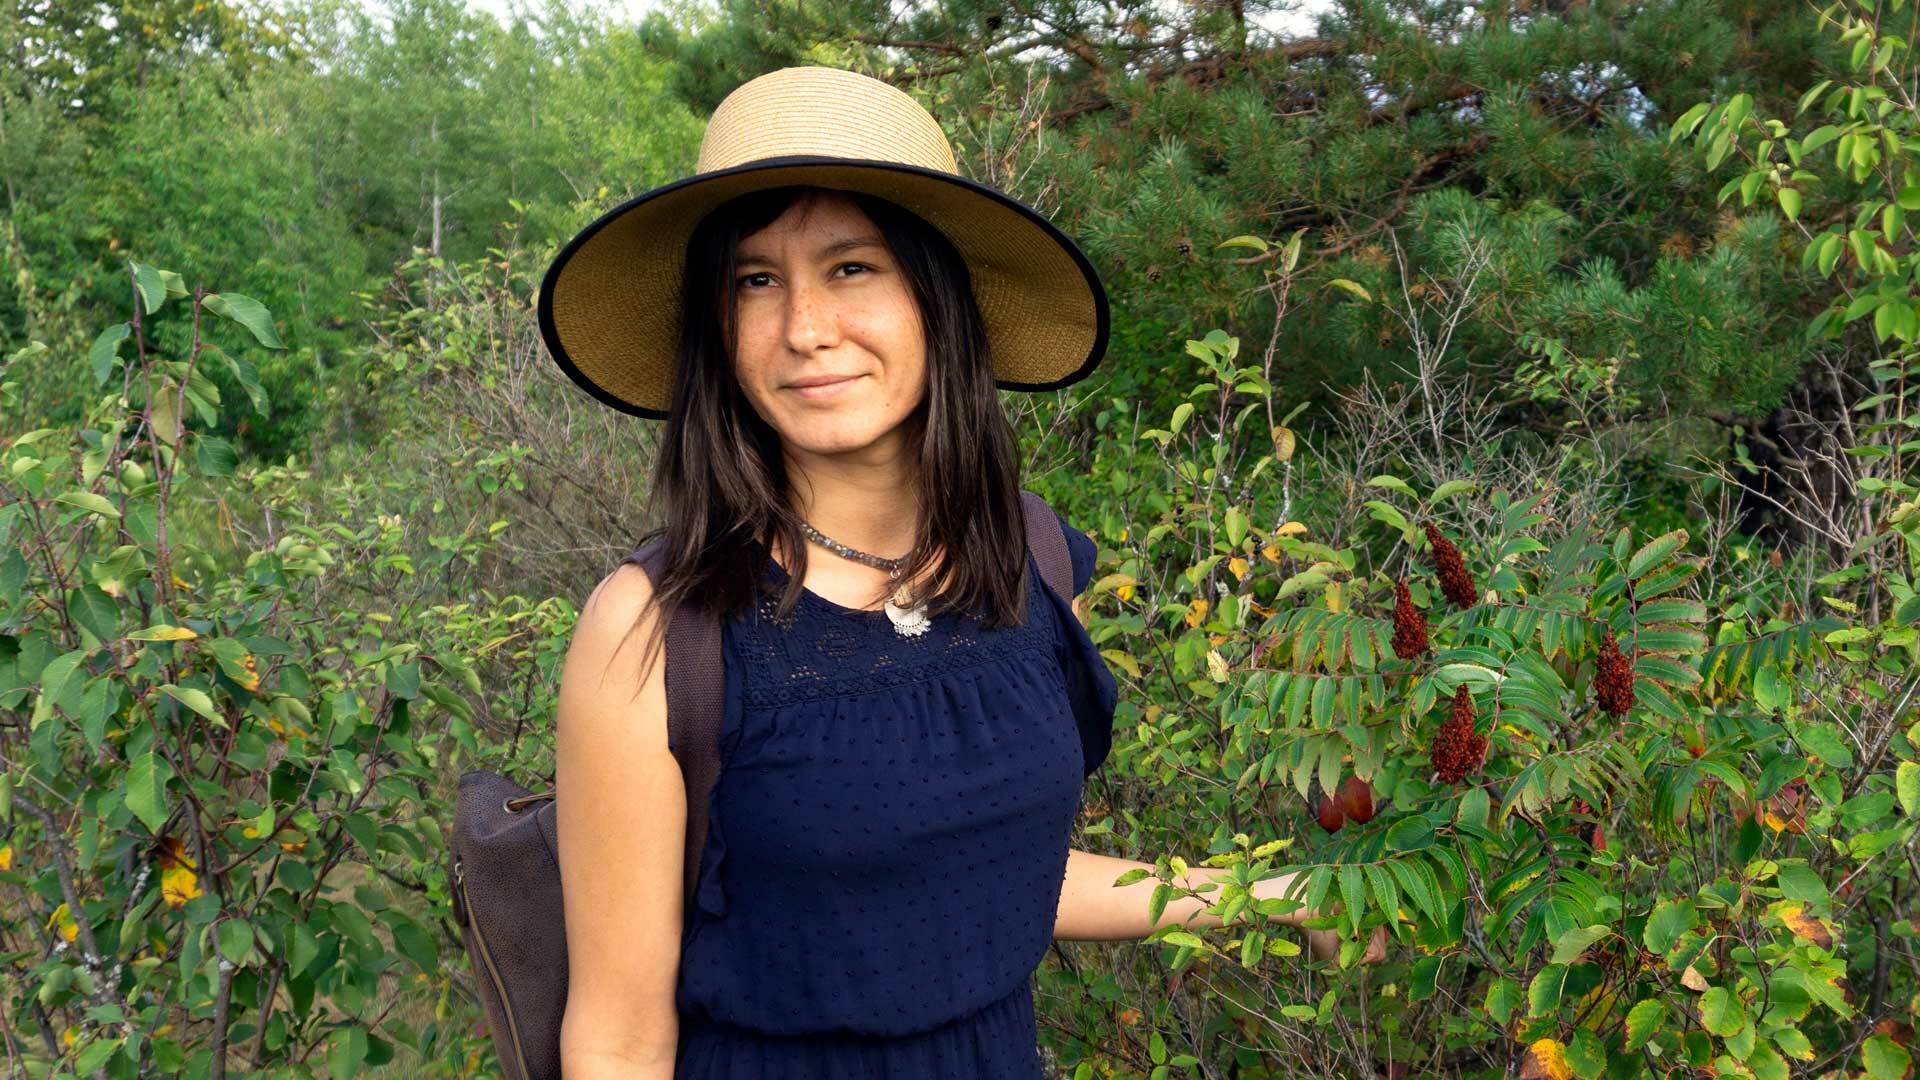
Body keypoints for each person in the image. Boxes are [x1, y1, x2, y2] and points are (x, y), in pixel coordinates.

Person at [536, 65, 1382, 1080]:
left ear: (938, 300)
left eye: (852, 267)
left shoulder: (1029, 559)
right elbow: (619, 1038)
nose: (804, 327)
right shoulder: (657, 635)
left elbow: (973, 875)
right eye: (755, 280)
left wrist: (1260, 896)